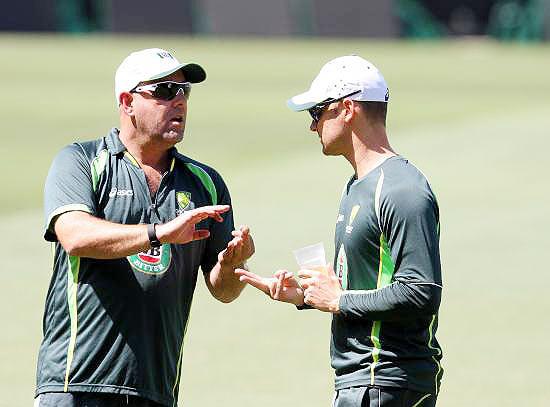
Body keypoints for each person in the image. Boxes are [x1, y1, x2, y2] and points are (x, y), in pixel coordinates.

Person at [34, 48, 254, 407]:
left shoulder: (205, 183)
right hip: (75, 382)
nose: (180, 101)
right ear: (127, 102)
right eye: (166, 91)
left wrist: (231, 265)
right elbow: (75, 236)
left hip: (156, 389)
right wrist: (158, 233)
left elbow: (224, 290)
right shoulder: (82, 160)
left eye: (185, 92)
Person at [236, 55, 443, 406]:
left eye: (317, 112)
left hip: (386, 379)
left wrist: (339, 299)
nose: (312, 126)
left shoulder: (401, 190)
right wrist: (306, 295)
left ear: (347, 109)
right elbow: (367, 287)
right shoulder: (356, 186)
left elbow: (422, 291)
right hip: (363, 381)